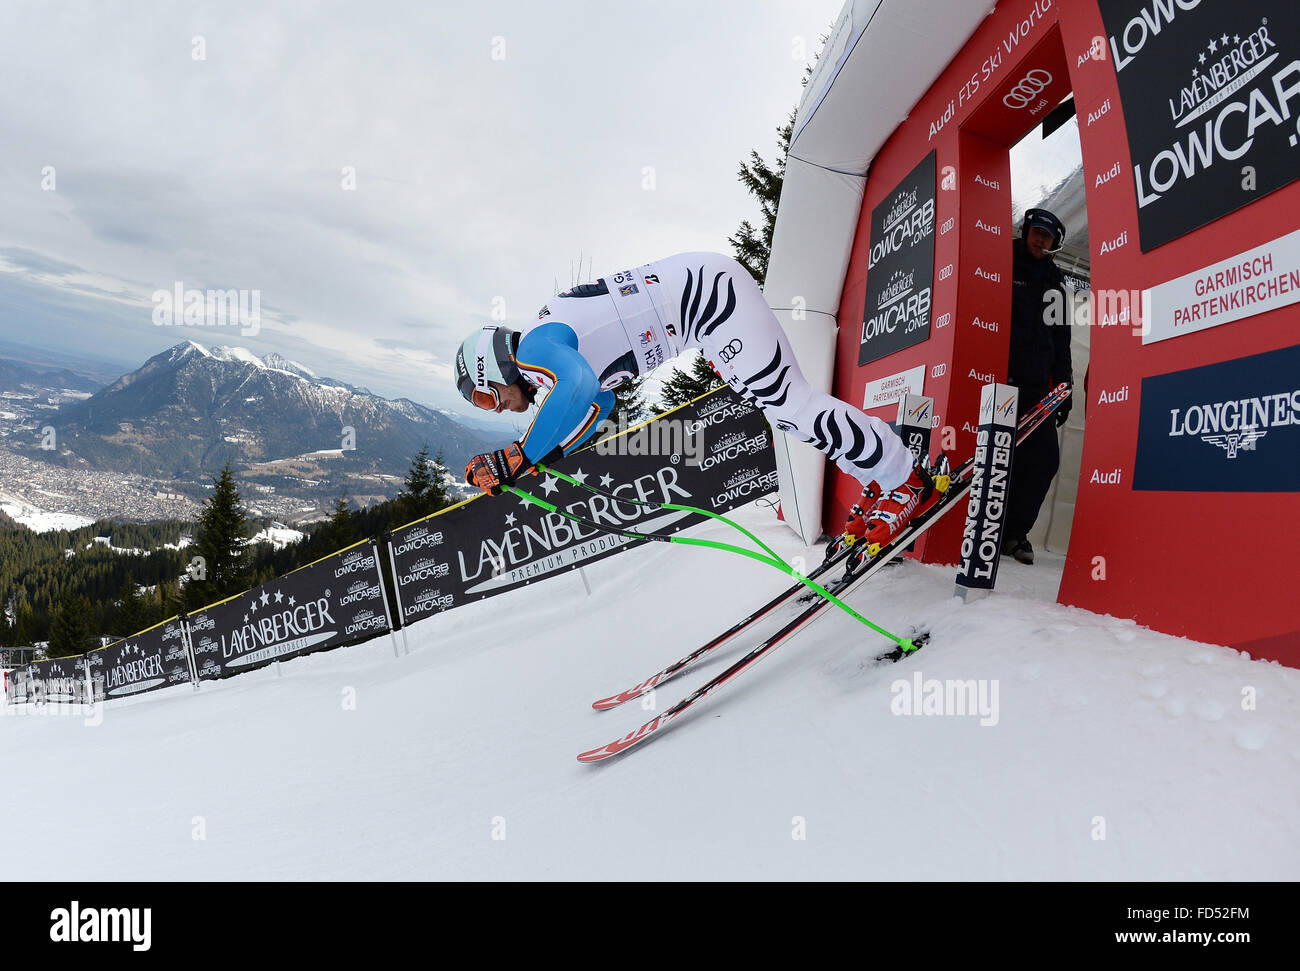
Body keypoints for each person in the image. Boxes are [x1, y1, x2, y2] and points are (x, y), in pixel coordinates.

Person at [453, 252, 944, 552]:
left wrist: (517, 455)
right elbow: (595, 407)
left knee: (789, 404)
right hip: (702, 314)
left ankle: (902, 474)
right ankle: (882, 474)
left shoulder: (537, 347)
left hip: (709, 300)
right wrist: (541, 456)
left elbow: (578, 387)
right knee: (784, 411)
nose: (492, 407)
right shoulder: (550, 356)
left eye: (483, 395)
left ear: (492, 365)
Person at [1002, 209, 1073, 565]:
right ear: (1026, 230)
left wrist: (1065, 388)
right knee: (995, 458)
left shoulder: (1056, 283)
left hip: (1037, 390)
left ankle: (1014, 533)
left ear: (1055, 243)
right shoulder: (999, 260)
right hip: (996, 383)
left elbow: (1062, 342)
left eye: (1047, 236)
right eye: (1036, 231)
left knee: (1044, 460)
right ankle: (981, 527)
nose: (1039, 239)